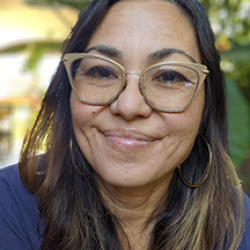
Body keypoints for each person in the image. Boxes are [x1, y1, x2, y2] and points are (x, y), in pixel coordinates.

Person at [0, 0, 249, 249]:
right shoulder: (7, 207)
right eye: (102, 72)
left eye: (169, 76)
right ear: (67, 90)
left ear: (207, 102)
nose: (129, 106)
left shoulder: (239, 225)